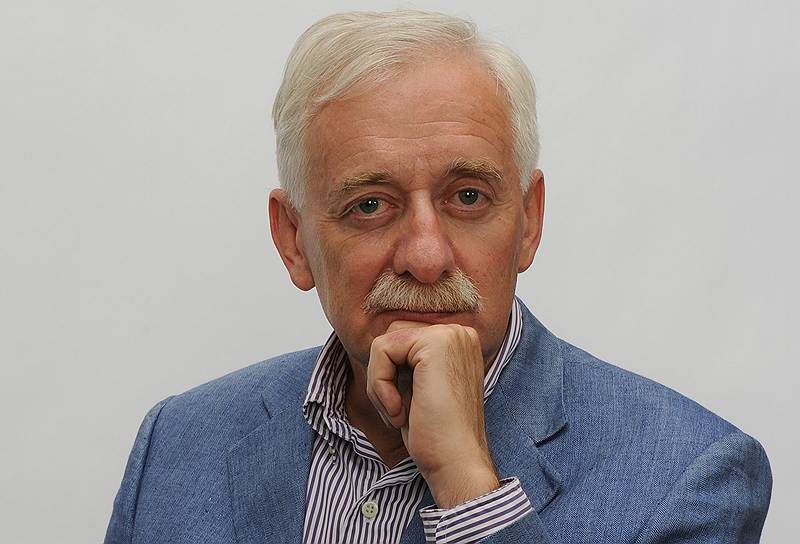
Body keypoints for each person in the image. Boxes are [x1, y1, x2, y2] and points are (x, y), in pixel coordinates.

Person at [104, 10, 772, 544]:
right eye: (371, 205)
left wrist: (467, 488)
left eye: (468, 197)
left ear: (529, 222)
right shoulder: (177, 442)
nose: (426, 257)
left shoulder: (690, 476)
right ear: (294, 241)